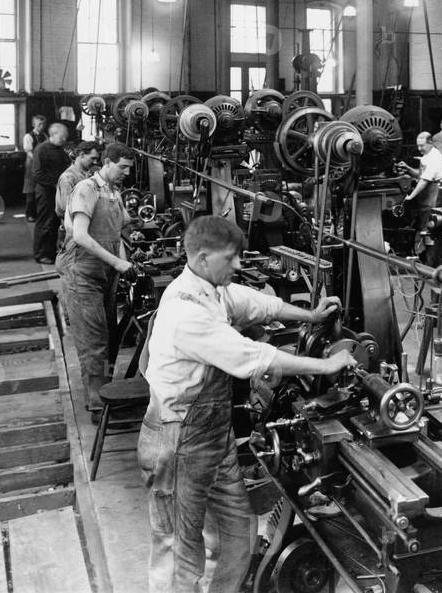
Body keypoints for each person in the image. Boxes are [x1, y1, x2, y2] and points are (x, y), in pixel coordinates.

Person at [139, 215, 357, 593]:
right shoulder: (185, 311)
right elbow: (255, 356)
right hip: (177, 440)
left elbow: (256, 304)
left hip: (212, 436)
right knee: (179, 549)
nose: (239, 266)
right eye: (231, 259)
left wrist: (311, 316)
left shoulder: (212, 288)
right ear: (203, 257)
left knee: (236, 532)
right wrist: (326, 364)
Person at [57, 142, 135, 415]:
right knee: (94, 341)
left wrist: (126, 263)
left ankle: (106, 393)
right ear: (107, 162)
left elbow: (116, 234)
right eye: (122, 166)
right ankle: (98, 405)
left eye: (129, 168)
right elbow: (79, 235)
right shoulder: (86, 188)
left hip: (107, 273)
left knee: (109, 337)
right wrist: (118, 263)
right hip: (84, 273)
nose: (126, 172)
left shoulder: (114, 192)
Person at [32, 122, 70, 264]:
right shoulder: (41, 149)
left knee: (54, 222)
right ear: (53, 135)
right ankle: (41, 254)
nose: (64, 140)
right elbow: (37, 174)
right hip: (45, 192)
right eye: (62, 137)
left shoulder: (59, 149)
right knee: (45, 223)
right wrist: (56, 184)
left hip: (56, 191)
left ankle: (50, 252)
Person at [56, 140, 102, 251]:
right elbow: (66, 208)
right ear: (81, 155)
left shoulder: (88, 174)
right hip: (73, 232)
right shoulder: (68, 178)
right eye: (92, 158)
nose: (95, 162)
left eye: (97, 159)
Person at [399, 131, 442, 234]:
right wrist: (407, 168)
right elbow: (420, 175)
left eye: (422, 146)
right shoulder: (426, 155)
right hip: (426, 198)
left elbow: (424, 181)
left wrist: (411, 196)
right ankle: (428, 249)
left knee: (431, 229)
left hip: (434, 197)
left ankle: (432, 249)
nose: (419, 149)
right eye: (418, 146)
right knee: (425, 227)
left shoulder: (434, 157)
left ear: (430, 142)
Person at [22, 115, 48, 222]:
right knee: (30, 190)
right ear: (34, 125)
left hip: (43, 166)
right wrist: (38, 161)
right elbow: (29, 153)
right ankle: (30, 214)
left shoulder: (45, 136)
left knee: (41, 191)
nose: (41, 126)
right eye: (39, 124)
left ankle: (40, 214)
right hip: (32, 166)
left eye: (43, 124)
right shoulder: (28, 136)